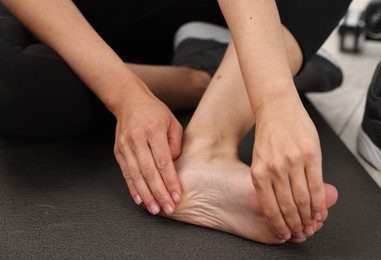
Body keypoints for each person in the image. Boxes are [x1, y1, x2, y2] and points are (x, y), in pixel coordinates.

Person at [0, 0, 352, 243]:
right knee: (12, 80)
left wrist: (275, 98)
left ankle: (208, 145)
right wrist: (128, 98)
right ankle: (207, 74)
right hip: (67, 17)